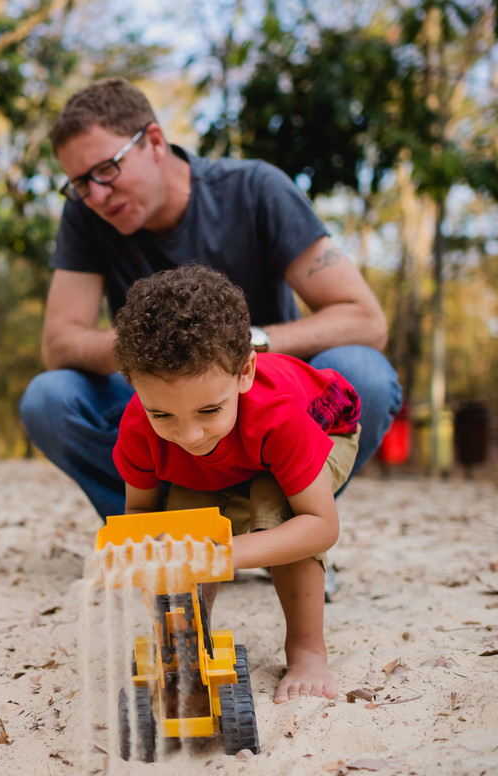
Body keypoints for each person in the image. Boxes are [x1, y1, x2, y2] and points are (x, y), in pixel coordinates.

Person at [19, 77, 401, 521]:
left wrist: (235, 345)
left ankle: (286, 522)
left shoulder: (255, 188)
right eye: (80, 184)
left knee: (365, 375)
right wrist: (157, 350)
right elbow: (60, 343)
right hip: (161, 411)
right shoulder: (86, 215)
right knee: (49, 399)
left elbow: (366, 320)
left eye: (107, 169)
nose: (96, 195)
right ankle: (159, 528)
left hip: (266, 403)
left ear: (154, 142)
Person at [114, 263, 358, 702]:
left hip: (325, 426)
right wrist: (154, 555)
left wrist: (227, 553)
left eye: (209, 410)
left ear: (245, 372)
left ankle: (307, 651)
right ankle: (187, 646)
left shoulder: (278, 414)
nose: (190, 435)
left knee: (275, 506)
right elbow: (142, 515)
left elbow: (321, 525)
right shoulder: (138, 427)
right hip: (233, 458)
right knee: (183, 525)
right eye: (162, 414)